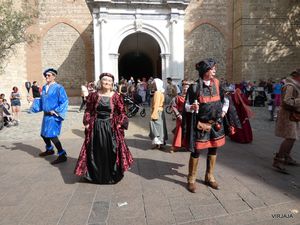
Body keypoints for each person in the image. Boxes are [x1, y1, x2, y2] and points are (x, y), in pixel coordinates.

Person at [74, 73, 133, 184]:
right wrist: (87, 122)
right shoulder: (93, 95)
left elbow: (122, 113)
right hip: (96, 126)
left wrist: (119, 124)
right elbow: (88, 110)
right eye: (104, 80)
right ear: (100, 82)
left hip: (111, 127)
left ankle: (111, 175)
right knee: (95, 150)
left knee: (111, 150)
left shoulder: (116, 96)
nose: (106, 82)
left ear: (112, 83)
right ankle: (94, 176)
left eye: (109, 81)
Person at [183, 58, 229, 193]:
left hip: (216, 125)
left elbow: (226, 100)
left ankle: (209, 176)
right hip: (201, 126)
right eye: (212, 68)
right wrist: (191, 107)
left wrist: (224, 111)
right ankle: (191, 179)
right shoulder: (195, 87)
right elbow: (186, 106)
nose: (215, 70)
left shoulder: (218, 84)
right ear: (205, 71)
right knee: (196, 151)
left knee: (214, 149)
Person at [30, 68, 69, 164]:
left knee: (52, 135)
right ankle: (50, 149)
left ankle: (62, 154)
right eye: (45, 75)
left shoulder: (59, 88)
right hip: (46, 115)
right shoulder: (44, 88)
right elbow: (42, 100)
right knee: (43, 134)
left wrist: (56, 111)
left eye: (49, 75)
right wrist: (33, 100)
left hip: (53, 115)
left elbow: (64, 101)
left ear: (54, 76)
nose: (46, 77)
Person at [273, 69, 300, 173]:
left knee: (293, 137)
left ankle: (287, 157)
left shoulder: (295, 86)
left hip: (294, 115)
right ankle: (278, 160)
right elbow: (286, 101)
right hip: (288, 116)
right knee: (290, 137)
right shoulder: (289, 86)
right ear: (297, 76)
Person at [170, 81, 190, 153]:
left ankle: (187, 145)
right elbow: (174, 107)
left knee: (188, 131)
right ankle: (175, 146)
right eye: (184, 88)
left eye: (187, 88)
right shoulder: (178, 97)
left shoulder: (191, 98)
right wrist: (178, 115)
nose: (185, 90)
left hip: (189, 117)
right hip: (180, 116)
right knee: (179, 130)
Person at [149, 78, 168, 149]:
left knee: (156, 127)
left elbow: (156, 104)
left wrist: (154, 114)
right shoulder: (161, 92)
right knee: (161, 128)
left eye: (154, 84)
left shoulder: (157, 93)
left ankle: (159, 143)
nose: (153, 85)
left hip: (157, 111)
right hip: (161, 111)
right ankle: (160, 144)